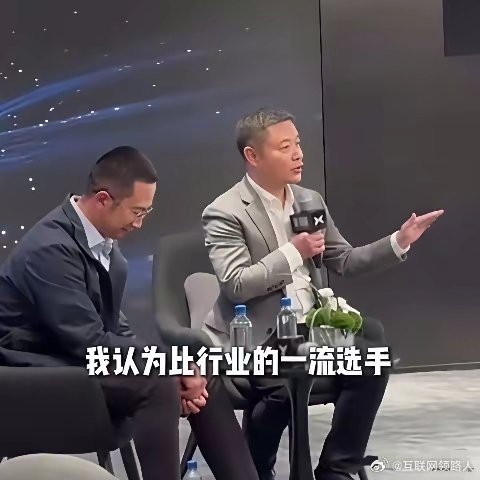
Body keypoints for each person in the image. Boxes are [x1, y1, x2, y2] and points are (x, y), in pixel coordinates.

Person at [201, 109, 444, 480]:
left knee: (373, 350)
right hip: (260, 334)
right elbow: (236, 284)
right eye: (285, 146)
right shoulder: (226, 211)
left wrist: (398, 241)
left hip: (311, 326)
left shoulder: (308, 201)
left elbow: (343, 259)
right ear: (253, 156)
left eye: (298, 143)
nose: (298, 154)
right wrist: (293, 251)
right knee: (284, 387)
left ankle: (337, 467)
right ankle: (256, 465)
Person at [0, 146, 259, 480]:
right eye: (136, 212)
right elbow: (89, 342)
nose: (139, 223)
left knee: (199, 370)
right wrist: (167, 365)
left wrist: (177, 365)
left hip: (75, 357)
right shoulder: (51, 250)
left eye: (146, 212)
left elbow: (118, 332)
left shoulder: (105, 248)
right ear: (103, 199)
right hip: (32, 370)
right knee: (159, 379)